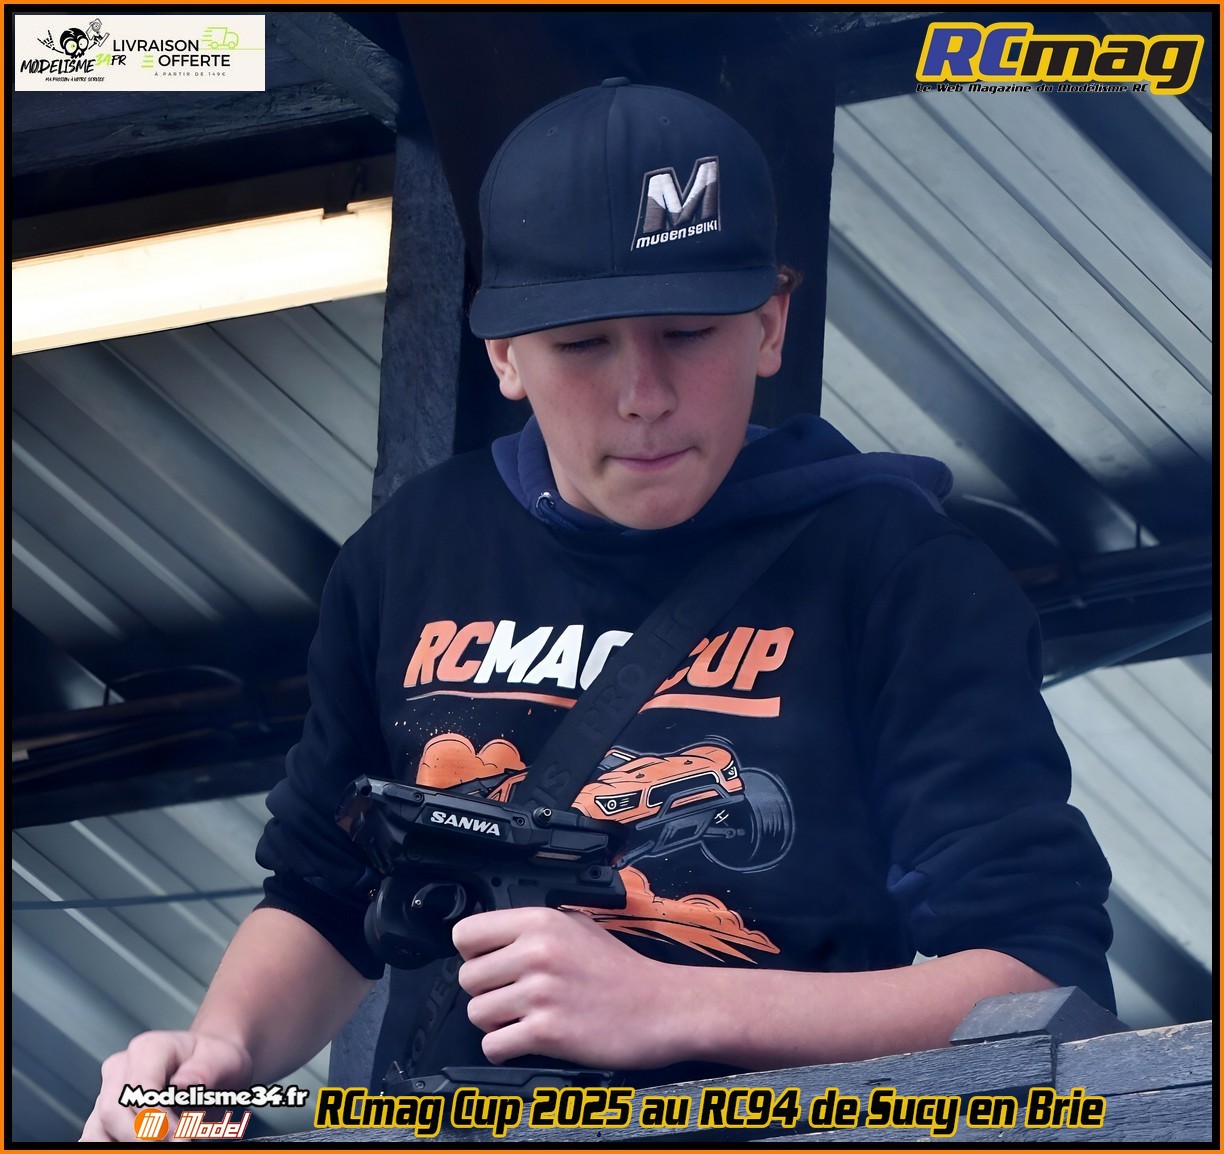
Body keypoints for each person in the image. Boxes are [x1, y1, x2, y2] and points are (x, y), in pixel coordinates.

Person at [82, 79, 1113, 1139]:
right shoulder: (412, 551)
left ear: (769, 323)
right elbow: (324, 889)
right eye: (582, 345)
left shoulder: (900, 570)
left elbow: (1041, 973)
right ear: (502, 353)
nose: (644, 395)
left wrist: (674, 1005)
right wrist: (220, 1052)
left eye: (688, 332)